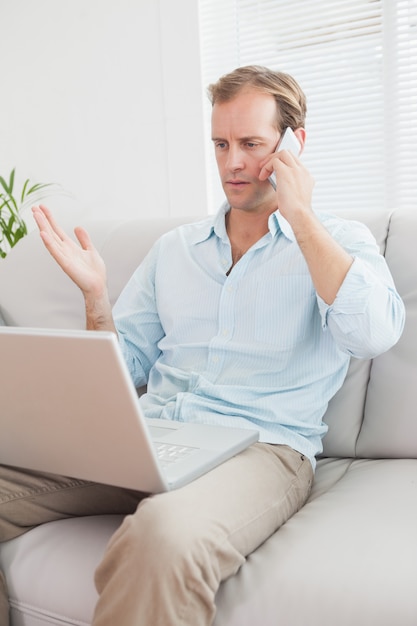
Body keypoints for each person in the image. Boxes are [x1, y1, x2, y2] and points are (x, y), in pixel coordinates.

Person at [0, 65, 405, 626]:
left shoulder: (339, 242)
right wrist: (96, 296)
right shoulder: (176, 250)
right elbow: (124, 370)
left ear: (293, 145)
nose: (232, 163)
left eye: (251, 144)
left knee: (162, 537)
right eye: (220, 144)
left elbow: (373, 332)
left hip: (262, 449)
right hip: (149, 435)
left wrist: (301, 216)